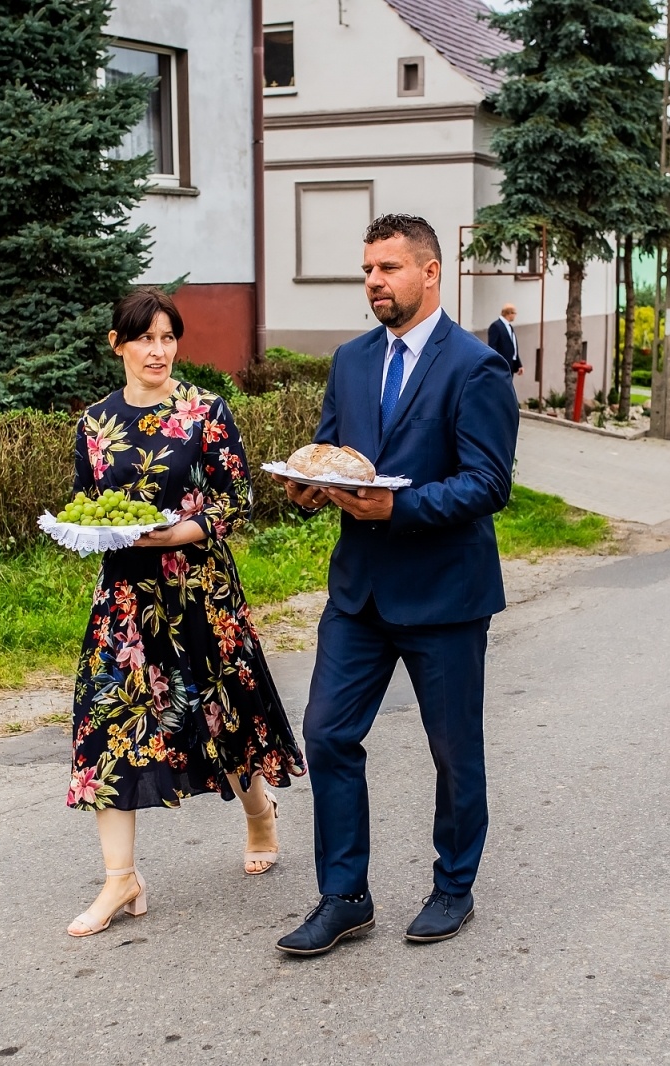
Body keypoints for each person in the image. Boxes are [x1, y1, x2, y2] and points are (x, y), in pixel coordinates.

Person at [270, 214, 517, 957]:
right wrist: (310, 486)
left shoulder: (475, 366)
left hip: (445, 594)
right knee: (326, 733)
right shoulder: (349, 361)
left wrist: (400, 506)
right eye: (367, 269)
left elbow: (488, 483)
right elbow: (334, 451)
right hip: (359, 593)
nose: (374, 281)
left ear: (429, 272)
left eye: (388, 268)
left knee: (453, 752)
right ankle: (344, 897)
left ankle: (453, 886)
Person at [65, 287, 306, 938]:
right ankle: (121, 880)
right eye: (145, 338)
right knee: (105, 728)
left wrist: (183, 532)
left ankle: (258, 812)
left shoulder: (205, 412)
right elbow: (87, 507)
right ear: (118, 345)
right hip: (124, 601)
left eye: (168, 337)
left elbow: (236, 501)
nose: (158, 350)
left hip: (198, 593)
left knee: (221, 721)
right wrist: (92, 531)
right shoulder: (93, 424)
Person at [487, 303, 524, 375]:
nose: (515, 316)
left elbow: (513, 347)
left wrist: (518, 364)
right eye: (514, 313)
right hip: (501, 366)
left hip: (510, 365)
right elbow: (492, 347)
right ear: (509, 313)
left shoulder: (509, 327)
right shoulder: (496, 326)